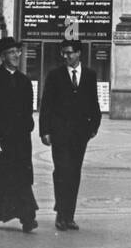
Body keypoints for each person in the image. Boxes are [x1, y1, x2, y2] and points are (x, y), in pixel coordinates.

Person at [39, 38, 101, 231]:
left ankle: (70, 215)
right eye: (64, 53)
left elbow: (94, 103)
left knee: (74, 172)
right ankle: (61, 213)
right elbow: (46, 104)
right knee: (61, 170)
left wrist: (93, 127)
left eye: (70, 52)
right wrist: (45, 131)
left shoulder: (90, 75)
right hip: (59, 133)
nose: (66, 56)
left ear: (79, 53)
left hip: (80, 135)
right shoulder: (55, 75)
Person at [0, 36, 38, 232]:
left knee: (21, 179)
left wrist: (27, 126)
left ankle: (27, 217)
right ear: (3, 56)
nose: (16, 56)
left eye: (17, 52)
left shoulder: (24, 81)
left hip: (20, 140)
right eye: (11, 53)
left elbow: (28, 110)